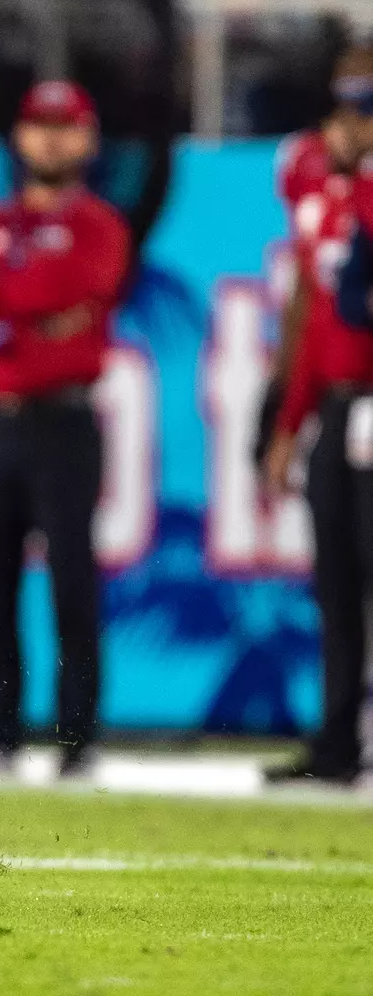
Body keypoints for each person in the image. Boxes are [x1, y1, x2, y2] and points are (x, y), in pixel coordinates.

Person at [0, 80, 130, 778]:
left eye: (67, 126)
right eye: (40, 126)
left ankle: (77, 737)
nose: (53, 139)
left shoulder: (100, 225)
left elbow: (68, 296)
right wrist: (34, 306)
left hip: (64, 418)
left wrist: (4, 298)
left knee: (72, 581)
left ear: (87, 140)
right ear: (20, 138)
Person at [261, 68, 373, 786]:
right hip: (339, 408)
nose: (350, 128)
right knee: (336, 582)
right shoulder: (323, 202)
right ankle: (336, 745)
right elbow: (310, 323)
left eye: (364, 117)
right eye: (345, 114)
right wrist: (287, 427)